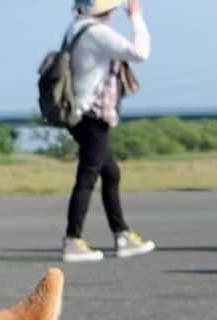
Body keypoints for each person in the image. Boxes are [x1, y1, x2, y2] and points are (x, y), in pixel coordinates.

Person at [62, 0, 154, 262]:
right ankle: (73, 240)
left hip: (79, 113)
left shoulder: (76, 28)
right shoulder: (96, 33)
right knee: (88, 175)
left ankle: (122, 234)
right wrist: (136, 18)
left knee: (110, 172)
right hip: (92, 114)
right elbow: (140, 52)